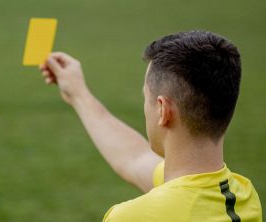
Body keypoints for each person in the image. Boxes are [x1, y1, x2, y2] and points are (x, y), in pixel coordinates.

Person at [39, 30, 262, 221]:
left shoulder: (133, 217)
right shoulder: (243, 195)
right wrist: (79, 94)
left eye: (146, 97)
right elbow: (134, 158)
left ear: (163, 110)